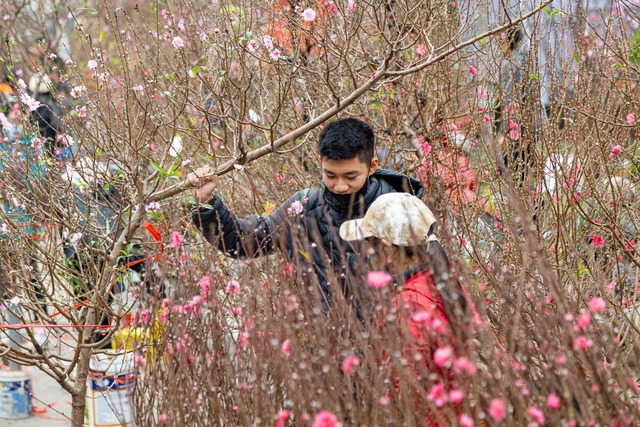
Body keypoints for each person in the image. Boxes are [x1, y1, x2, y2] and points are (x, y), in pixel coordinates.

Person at [189, 118, 423, 309]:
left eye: (350, 176)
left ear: (372, 166)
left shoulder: (399, 210)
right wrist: (206, 204)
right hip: (323, 350)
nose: (340, 185)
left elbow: (423, 279)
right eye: (330, 175)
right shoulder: (303, 208)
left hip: (389, 347)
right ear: (319, 162)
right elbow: (241, 243)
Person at [339, 192, 468, 425]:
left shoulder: (408, 303)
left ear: (387, 249)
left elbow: (406, 392)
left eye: (369, 244)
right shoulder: (443, 281)